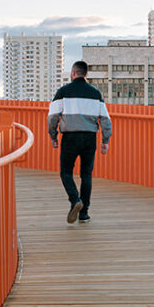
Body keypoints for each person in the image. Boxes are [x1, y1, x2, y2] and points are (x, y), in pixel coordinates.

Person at [47, 60, 113, 224]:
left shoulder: (63, 91)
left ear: (73, 73)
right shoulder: (96, 93)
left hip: (70, 137)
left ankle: (75, 199)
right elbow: (105, 119)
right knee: (86, 174)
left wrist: (53, 135)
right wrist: (105, 140)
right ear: (86, 74)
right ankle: (84, 214)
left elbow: (52, 117)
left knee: (66, 172)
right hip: (90, 137)